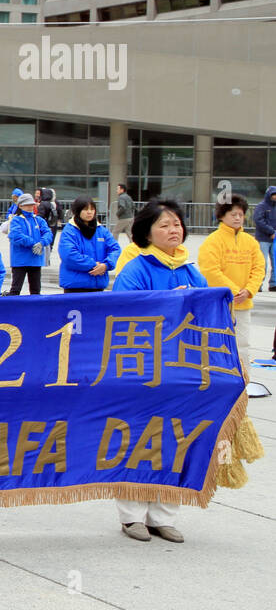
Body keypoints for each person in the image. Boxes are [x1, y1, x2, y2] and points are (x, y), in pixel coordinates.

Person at [110, 200, 206, 544]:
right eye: (164, 225)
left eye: (177, 224)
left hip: (183, 367)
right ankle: (132, 516)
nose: (174, 230)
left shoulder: (190, 269)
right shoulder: (136, 268)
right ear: (147, 232)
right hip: (144, 366)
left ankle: (164, 515)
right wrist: (169, 300)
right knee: (139, 438)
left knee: (177, 438)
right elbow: (120, 312)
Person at [198, 194, 264, 357]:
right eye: (233, 214)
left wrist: (249, 290)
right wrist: (234, 291)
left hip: (243, 304)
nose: (237, 218)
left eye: (241, 215)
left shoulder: (251, 242)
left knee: (242, 346)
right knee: (218, 345)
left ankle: (244, 381)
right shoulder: (212, 241)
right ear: (221, 216)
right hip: (220, 304)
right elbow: (210, 270)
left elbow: (259, 268)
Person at [57, 196, 120, 293]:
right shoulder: (69, 231)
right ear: (77, 211)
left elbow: (115, 249)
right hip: (75, 287)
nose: (89, 212)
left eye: (92, 209)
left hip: (98, 286)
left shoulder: (101, 230)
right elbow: (69, 255)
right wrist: (93, 265)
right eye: (85, 209)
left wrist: (106, 265)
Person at [6, 194, 52, 295]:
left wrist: (42, 242)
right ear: (20, 206)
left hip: (35, 260)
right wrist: (34, 243)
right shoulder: (16, 220)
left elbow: (48, 233)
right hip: (20, 261)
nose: (30, 207)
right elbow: (15, 236)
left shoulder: (39, 220)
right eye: (27, 205)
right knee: (15, 289)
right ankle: (11, 309)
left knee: (36, 290)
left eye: (32, 205)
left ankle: (36, 309)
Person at [253, 186, 276, 291]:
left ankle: (273, 284)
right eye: (273, 194)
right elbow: (259, 220)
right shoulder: (261, 206)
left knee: (275, 262)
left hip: (274, 239)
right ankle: (258, 284)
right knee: (262, 263)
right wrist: (271, 232)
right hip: (263, 239)